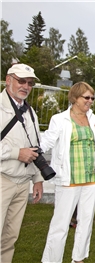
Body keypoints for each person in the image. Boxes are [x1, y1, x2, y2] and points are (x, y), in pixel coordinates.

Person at [41, 82, 95, 263]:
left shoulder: (92, 118)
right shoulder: (60, 119)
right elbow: (47, 141)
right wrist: (32, 150)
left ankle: (78, 259)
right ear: (74, 98)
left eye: (92, 98)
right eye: (86, 97)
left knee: (86, 222)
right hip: (68, 178)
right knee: (60, 225)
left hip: (90, 178)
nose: (90, 101)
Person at [1, 63, 44, 263]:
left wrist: (37, 178)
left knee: (10, 238)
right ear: (8, 79)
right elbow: (22, 151)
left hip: (22, 183)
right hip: (2, 180)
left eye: (30, 83)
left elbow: (34, 146)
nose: (25, 86)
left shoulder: (30, 111)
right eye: (21, 81)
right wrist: (16, 153)